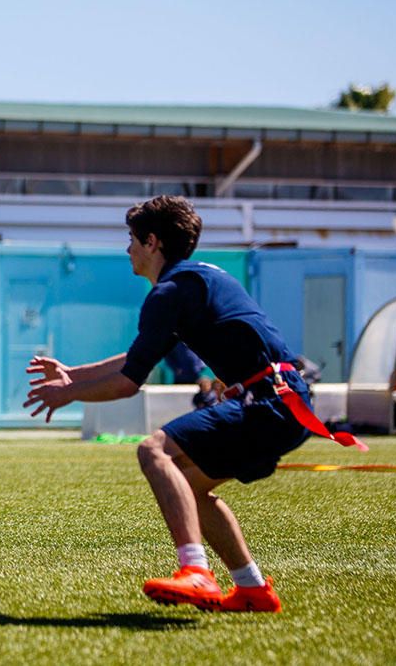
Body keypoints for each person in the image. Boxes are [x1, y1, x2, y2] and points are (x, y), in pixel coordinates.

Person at [24, 195, 365, 613]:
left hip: (268, 402)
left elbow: (129, 382)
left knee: (153, 450)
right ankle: (252, 588)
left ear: (152, 242)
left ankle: (197, 572)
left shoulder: (170, 292)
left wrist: (68, 393)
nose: (127, 248)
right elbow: (137, 357)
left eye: (131, 239)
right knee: (187, 483)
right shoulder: (194, 280)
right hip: (282, 400)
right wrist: (74, 375)